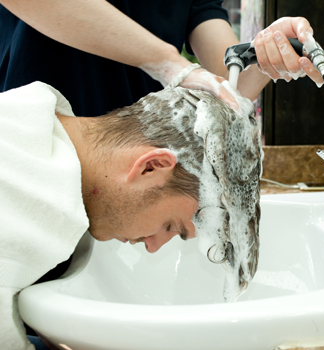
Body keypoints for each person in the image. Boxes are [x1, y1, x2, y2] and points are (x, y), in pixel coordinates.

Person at [0, 78, 262, 349]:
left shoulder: (30, 121)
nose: (152, 246)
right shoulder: (27, 201)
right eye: (171, 226)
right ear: (151, 166)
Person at [0, 0, 323, 116]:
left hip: (133, 164)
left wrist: (265, 52)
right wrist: (171, 64)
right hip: (40, 145)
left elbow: (226, 87)